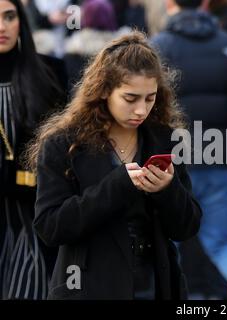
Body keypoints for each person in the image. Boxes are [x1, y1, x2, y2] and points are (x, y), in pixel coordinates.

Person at [26, 31, 202, 300]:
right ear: (104, 90)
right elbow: (51, 226)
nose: (141, 110)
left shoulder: (164, 139)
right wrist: (117, 185)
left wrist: (169, 190)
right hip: (89, 286)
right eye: (130, 99)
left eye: (150, 98)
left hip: (155, 284)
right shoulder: (63, 143)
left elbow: (186, 227)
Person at [151, 0, 227, 296]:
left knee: (168, 240)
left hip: (174, 159)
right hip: (220, 154)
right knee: (223, 242)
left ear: (169, 4)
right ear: (205, 3)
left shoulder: (159, 46)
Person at [0, 0, 66, 300]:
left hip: (32, 211)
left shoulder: (49, 72)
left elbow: (65, 146)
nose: (1, 27)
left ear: (21, 22)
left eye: (9, 17)